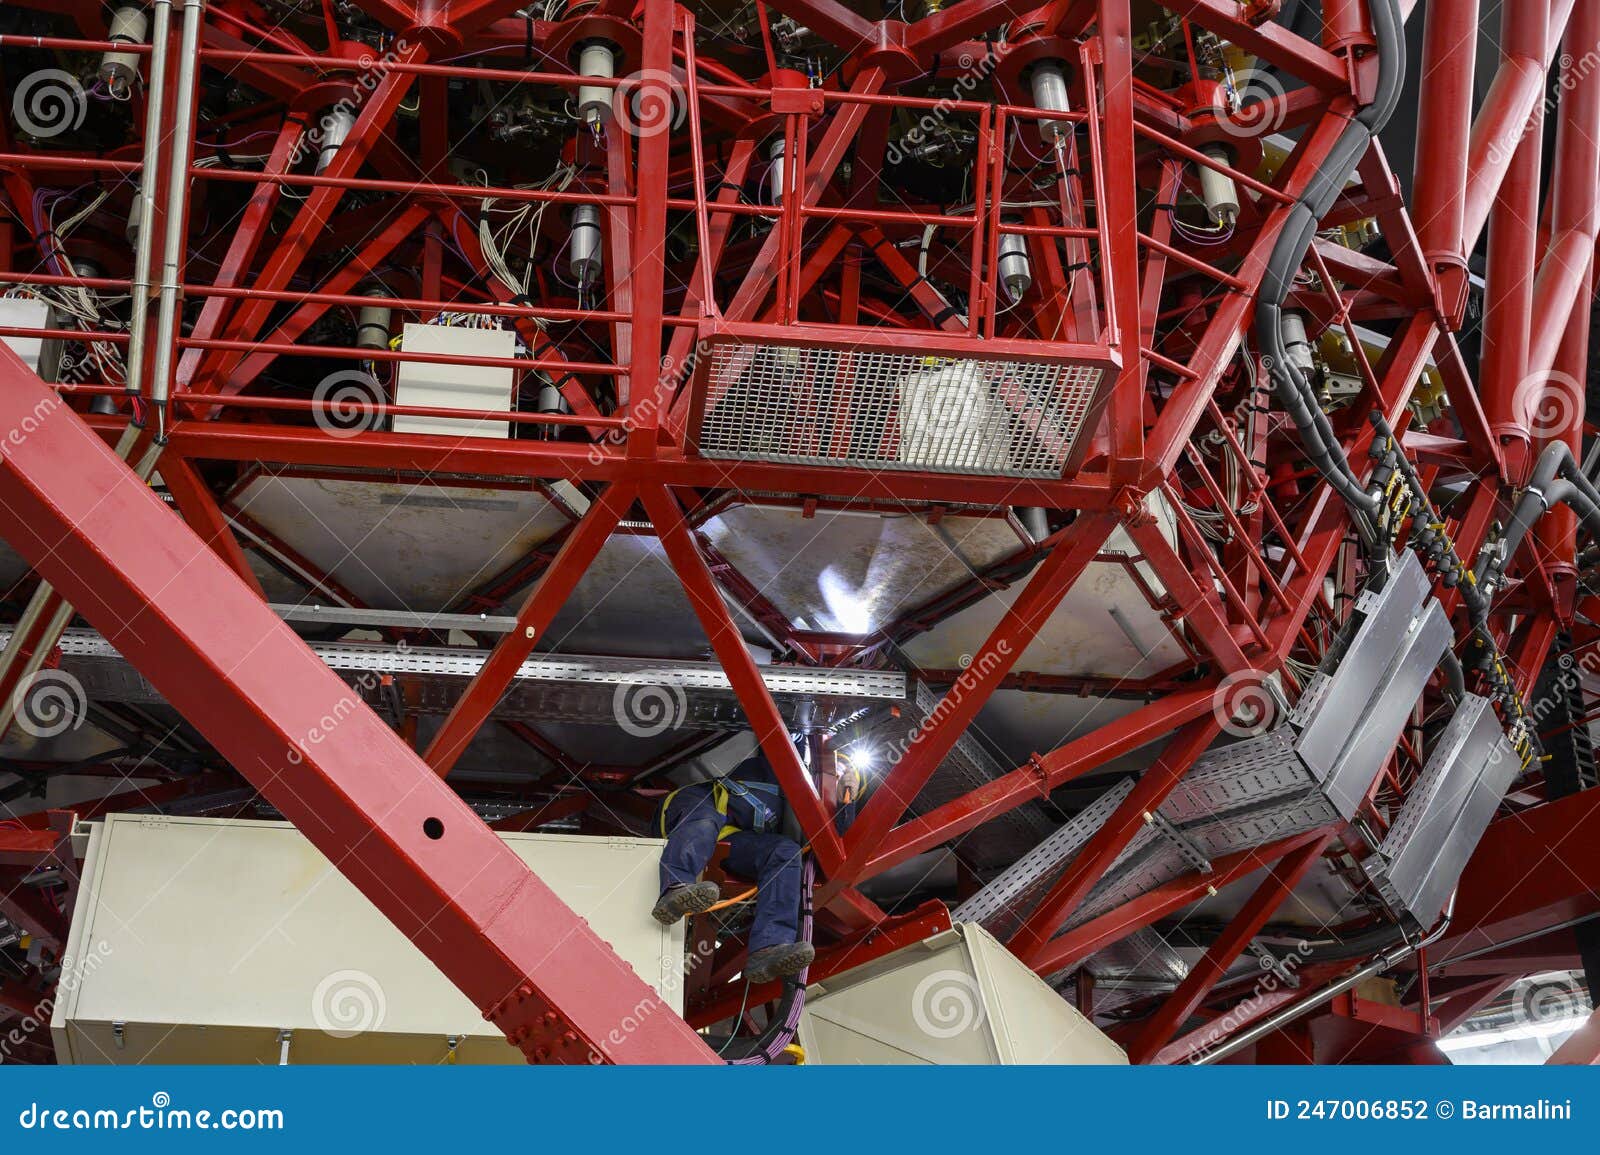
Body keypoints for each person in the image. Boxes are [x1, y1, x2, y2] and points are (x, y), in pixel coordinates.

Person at [651, 749, 815, 984]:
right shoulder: (780, 768)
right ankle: (675, 887)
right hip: (695, 807)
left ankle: (768, 947)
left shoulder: (803, 817)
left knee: (786, 852)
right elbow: (790, 733)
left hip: (730, 837)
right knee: (706, 821)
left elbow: (832, 846)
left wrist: (845, 805)